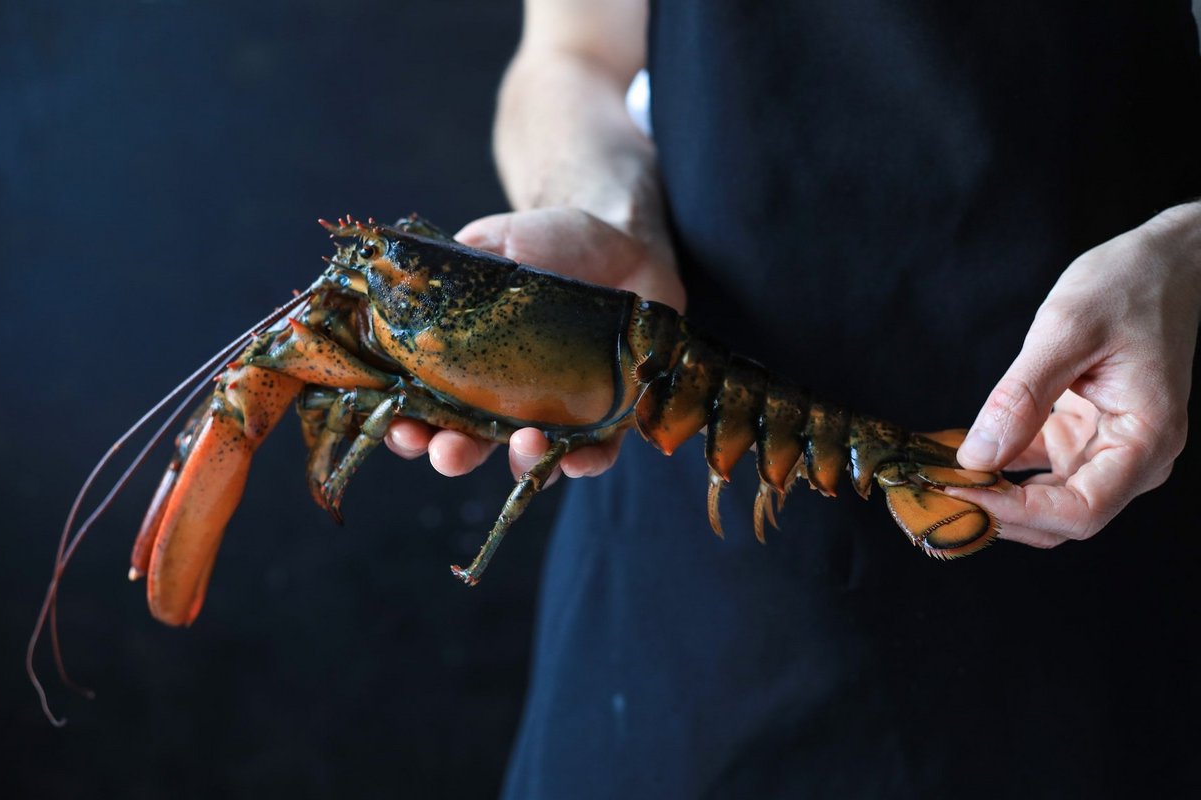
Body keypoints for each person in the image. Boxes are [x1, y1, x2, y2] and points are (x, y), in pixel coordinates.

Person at [390, 1, 1201, 796]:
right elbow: (574, 55)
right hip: (689, 553)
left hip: (1103, 465)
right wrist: (614, 217)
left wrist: (1189, 253)